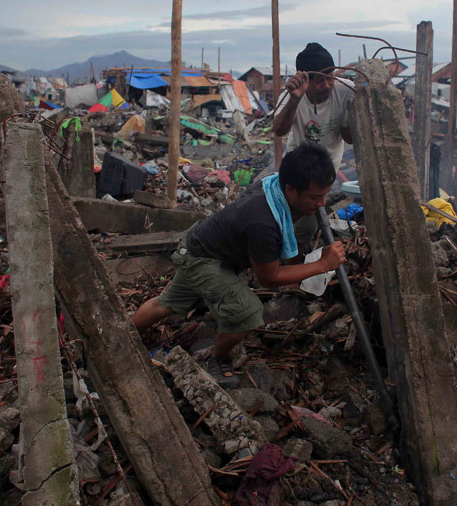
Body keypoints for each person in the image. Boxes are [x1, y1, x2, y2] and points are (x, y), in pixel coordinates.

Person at [130, 143, 346, 361]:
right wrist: (322, 265)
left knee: (164, 304)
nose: (321, 203)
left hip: (199, 246)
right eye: (315, 197)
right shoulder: (264, 223)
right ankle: (214, 357)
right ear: (290, 189)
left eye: (324, 195)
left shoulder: (273, 185)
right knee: (248, 313)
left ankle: (125, 333)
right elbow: (269, 278)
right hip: (201, 259)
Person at [272, 42, 354, 252]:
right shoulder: (292, 95)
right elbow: (279, 130)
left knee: (308, 222)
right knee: (285, 217)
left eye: (330, 77)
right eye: (320, 80)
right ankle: (278, 258)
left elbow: (350, 138)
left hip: (327, 169)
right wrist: (294, 100)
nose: (327, 85)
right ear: (305, 79)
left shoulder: (345, 90)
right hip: (298, 169)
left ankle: (295, 261)